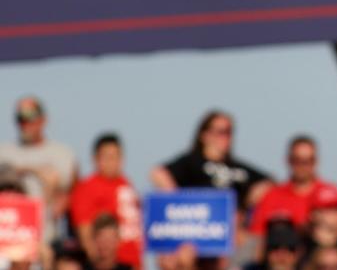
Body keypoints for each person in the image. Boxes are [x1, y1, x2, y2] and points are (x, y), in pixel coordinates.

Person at [150, 110, 272, 210]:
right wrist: (180, 204)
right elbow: (158, 173)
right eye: (220, 132)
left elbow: (269, 183)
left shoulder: (238, 167)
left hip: (231, 228)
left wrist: (245, 204)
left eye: (229, 132)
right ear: (205, 135)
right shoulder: (192, 162)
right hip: (201, 226)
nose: (225, 137)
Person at [0, 96, 78, 241]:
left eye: (30, 119)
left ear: (43, 119)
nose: (25, 125)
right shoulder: (3, 153)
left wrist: (64, 200)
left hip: (46, 237)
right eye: (21, 120)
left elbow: (75, 194)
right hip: (8, 239)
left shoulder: (62, 154)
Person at [249, 136, 337, 235]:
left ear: (316, 161)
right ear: (289, 160)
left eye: (308, 161)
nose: (303, 167)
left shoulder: (332, 194)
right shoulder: (271, 196)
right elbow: (257, 235)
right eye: (298, 161)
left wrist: (325, 225)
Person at [69, 134, 142, 269]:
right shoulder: (86, 188)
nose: (113, 162)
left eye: (116, 157)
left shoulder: (126, 184)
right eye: (107, 157)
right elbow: (86, 235)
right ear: (95, 159)